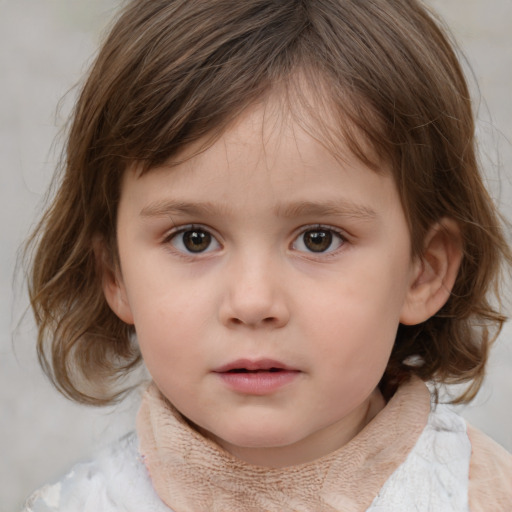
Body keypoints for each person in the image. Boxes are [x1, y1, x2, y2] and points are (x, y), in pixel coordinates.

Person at [22, 0, 512, 510]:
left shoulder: (483, 496)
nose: (253, 301)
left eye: (318, 239)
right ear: (115, 275)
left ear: (423, 272)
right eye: (194, 239)